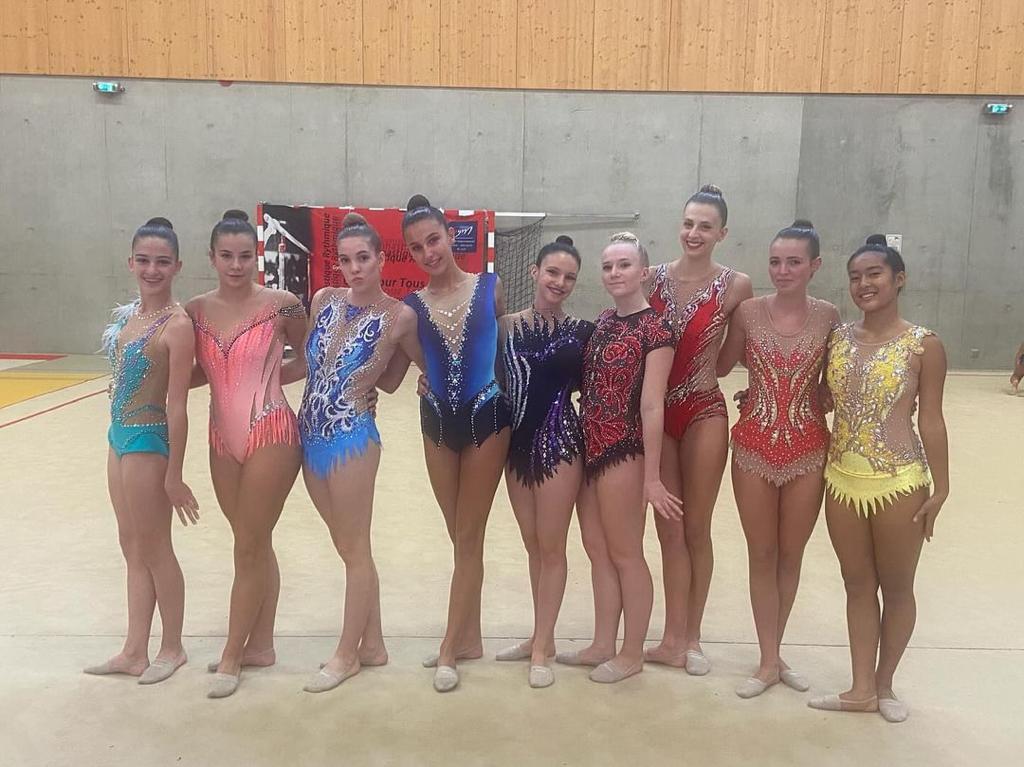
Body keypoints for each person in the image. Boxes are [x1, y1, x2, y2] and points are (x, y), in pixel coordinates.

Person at [809, 235, 949, 723]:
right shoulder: (838, 339)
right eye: (855, 277)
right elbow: (825, 398)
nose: (863, 284)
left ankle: (884, 683)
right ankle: (860, 688)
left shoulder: (924, 345)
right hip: (841, 479)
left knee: (897, 586)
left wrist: (942, 488)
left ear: (899, 279)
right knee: (856, 584)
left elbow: (931, 419)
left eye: (874, 274)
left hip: (898, 481)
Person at [385, 195, 511, 692]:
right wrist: (363, 389)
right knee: (457, 534)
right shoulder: (411, 308)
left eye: (433, 240)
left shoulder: (491, 288)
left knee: (469, 534)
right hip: (437, 422)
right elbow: (398, 373)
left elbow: (506, 353)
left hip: (488, 419)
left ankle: (448, 647)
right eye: (417, 248)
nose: (428, 253)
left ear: (450, 236)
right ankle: (469, 637)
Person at [298, 213, 423, 693]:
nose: (354, 268)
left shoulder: (399, 316)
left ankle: (346, 655)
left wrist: (429, 382)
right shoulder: (323, 300)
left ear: (381, 259)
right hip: (309, 434)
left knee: (354, 550)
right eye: (346, 260)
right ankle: (373, 645)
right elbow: (314, 363)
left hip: (351, 436)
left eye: (363, 258)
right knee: (347, 546)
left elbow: (411, 370)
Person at [716, 220, 840, 698]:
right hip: (753, 447)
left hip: (809, 449)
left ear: (814, 266)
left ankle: (774, 652)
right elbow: (720, 364)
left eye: (793, 262)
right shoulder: (747, 312)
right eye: (775, 262)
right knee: (762, 553)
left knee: (791, 554)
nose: (783, 270)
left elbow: (833, 382)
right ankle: (768, 660)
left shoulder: (829, 316)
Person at [187, 210, 308, 698]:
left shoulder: (283, 305)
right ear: (212, 257)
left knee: (248, 545)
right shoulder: (194, 310)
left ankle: (232, 655)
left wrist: (272, 379)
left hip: (271, 429)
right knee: (252, 541)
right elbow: (196, 371)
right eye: (226, 256)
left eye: (244, 256)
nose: (236, 265)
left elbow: (309, 356)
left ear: (257, 256)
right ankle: (261, 645)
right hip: (221, 437)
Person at [85, 217, 199, 685]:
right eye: (145, 260)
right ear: (130, 262)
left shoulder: (178, 325)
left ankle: (172, 647)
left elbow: (178, 404)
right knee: (131, 545)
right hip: (118, 437)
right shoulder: (129, 316)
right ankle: (134, 650)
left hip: (149, 442)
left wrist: (174, 474)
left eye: (163, 262)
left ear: (177, 266)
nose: (153, 270)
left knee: (155, 547)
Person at [645, 184, 753, 674]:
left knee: (696, 527)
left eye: (705, 227)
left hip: (704, 410)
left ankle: (692, 637)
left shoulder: (736, 285)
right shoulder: (651, 278)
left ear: (721, 233)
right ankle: (671, 637)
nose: (694, 233)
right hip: (658, 416)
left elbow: (729, 360)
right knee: (668, 529)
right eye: (688, 224)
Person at [570, 232, 682, 684]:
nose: (614, 273)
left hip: (624, 450)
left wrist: (651, 478)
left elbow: (652, 405)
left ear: (643, 272)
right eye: (608, 266)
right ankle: (603, 642)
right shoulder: (603, 321)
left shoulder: (657, 329)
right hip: (590, 447)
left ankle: (632, 651)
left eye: (624, 265)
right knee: (596, 548)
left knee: (626, 553)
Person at [497, 236, 594, 688]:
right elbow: (482, 376)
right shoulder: (504, 327)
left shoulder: (583, 332)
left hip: (561, 444)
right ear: (535, 272)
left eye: (569, 277)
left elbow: (604, 389)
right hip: (516, 447)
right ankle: (542, 637)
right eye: (552, 272)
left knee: (552, 547)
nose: (560, 282)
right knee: (533, 545)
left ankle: (541, 647)